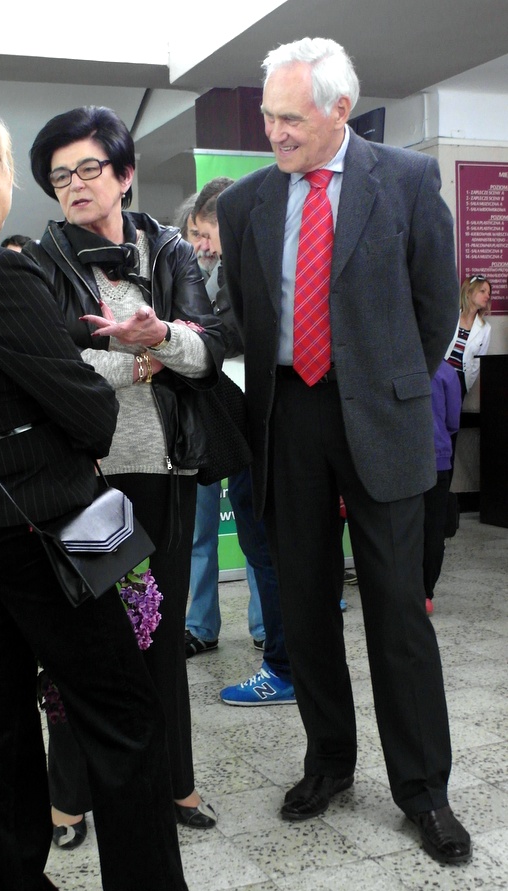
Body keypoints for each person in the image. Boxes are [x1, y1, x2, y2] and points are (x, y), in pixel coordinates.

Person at [0, 89, 258, 891]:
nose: (64, 184)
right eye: (46, 171)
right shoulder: (2, 272)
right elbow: (90, 414)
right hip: (53, 523)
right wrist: (119, 374)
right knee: (126, 718)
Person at [217, 37, 472, 866]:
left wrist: (390, 385)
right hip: (287, 416)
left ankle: (424, 791)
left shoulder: (406, 180)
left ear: (339, 110)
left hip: (381, 418)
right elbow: (245, 315)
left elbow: (436, 306)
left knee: (397, 607)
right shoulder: (248, 202)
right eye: (268, 116)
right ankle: (328, 761)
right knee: (304, 602)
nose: (275, 132)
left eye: (291, 117)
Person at [26, 105, 227, 844]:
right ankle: (69, 795)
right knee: (91, 640)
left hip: (162, 472)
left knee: (163, 636)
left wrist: (162, 337)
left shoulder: (168, 250)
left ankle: (175, 782)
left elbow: (207, 353)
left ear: (124, 174)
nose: (74, 185)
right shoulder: (43, 262)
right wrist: (143, 362)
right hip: (90, 481)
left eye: (87, 168)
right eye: (59, 177)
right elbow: (54, 368)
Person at [185, 177, 296, 706]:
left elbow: (230, 335)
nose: (201, 245)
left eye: (204, 233)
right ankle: (283, 659)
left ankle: (282, 664)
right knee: (260, 545)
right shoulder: (237, 266)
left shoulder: (249, 267)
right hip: (246, 423)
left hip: (258, 425)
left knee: (264, 548)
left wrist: (176, 334)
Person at [423, 360, 462, 615]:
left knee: (404, 527)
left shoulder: (397, 365)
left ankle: (403, 589)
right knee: (434, 529)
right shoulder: (447, 372)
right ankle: (426, 593)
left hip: (402, 463)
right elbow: (452, 422)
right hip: (437, 459)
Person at [444, 275, 492, 400]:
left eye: (488, 293)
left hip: (460, 380)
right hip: (441, 373)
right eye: (482, 291)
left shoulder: (485, 328)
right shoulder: (450, 316)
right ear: (469, 292)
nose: (487, 296)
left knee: (454, 412)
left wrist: (466, 385)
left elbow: (477, 362)